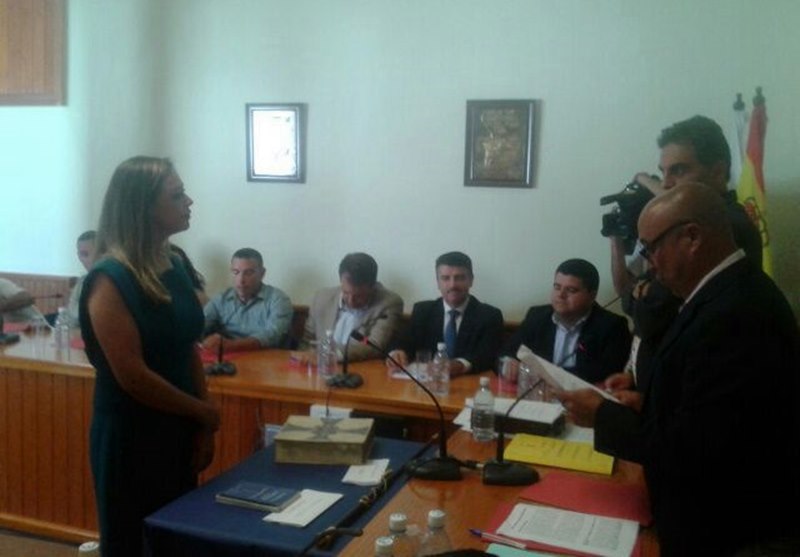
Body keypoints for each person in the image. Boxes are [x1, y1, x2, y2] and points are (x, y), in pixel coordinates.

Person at [560, 183, 800, 556]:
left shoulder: (737, 312)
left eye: (650, 247)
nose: (648, 262)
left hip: (729, 532)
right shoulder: (720, 293)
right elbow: (708, 406)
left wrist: (603, 415)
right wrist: (646, 403)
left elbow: (697, 448)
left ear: (691, 237)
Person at [79, 156, 220, 557]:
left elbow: (187, 345)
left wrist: (202, 420)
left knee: (175, 540)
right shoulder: (110, 278)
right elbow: (132, 376)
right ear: (142, 205)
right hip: (131, 434)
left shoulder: (173, 261)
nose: (189, 201)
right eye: (177, 195)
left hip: (177, 425)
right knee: (132, 543)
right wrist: (201, 412)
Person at [501, 259, 631, 385]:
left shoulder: (612, 326)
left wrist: (545, 374)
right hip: (537, 393)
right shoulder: (537, 316)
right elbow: (508, 351)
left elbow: (605, 374)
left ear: (592, 296)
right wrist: (509, 362)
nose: (561, 295)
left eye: (571, 290)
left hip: (583, 396)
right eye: (557, 287)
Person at [387, 251, 503, 376]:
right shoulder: (423, 311)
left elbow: (488, 355)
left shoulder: (489, 316)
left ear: (471, 280)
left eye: (459, 278)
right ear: (438, 282)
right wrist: (396, 352)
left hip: (467, 382)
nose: (453, 285)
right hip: (427, 382)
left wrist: (460, 365)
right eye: (445, 278)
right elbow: (401, 342)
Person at [303, 252, 403, 362]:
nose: (351, 301)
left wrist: (330, 355)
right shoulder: (322, 298)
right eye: (346, 293)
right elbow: (307, 341)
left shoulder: (389, 303)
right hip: (319, 368)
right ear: (341, 281)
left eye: (359, 296)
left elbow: (375, 345)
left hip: (363, 369)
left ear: (373, 287)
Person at [202, 248, 293, 353]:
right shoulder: (221, 299)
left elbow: (272, 335)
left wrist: (231, 346)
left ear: (262, 273)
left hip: (265, 358)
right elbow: (199, 324)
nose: (241, 280)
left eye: (248, 273)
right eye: (236, 272)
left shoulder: (278, 299)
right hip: (227, 357)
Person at [66, 230, 97, 323]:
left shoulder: (111, 282)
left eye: (86, 254)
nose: (83, 260)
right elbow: (71, 311)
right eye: (82, 254)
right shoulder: (82, 281)